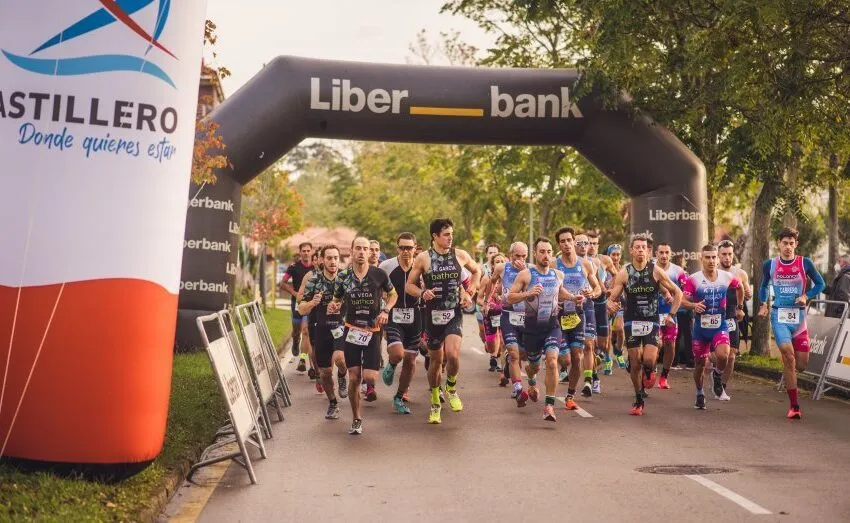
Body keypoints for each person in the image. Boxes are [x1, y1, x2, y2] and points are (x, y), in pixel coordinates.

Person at [406, 218, 480, 424]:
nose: (450, 238)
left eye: (451, 234)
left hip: (454, 312)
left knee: (453, 356)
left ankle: (452, 387)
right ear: (435, 236)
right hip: (433, 316)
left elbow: (477, 271)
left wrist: (471, 291)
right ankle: (435, 400)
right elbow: (409, 286)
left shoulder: (460, 255)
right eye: (446, 235)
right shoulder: (423, 258)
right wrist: (422, 293)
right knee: (436, 360)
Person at [607, 234, 683, 416]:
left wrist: (671, 315)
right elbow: (613, 297)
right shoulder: (624, 273)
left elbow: (678, 292)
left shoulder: (655, 271)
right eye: (637, 247)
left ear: (648, 251)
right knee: (634, 363)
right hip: (632, 321)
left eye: (643, 247)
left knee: (648, 359)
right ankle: (638, 398)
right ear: (631, 250)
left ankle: (650, 369)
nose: (640, 250)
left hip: (651, 320)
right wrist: (610, 303)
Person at [328, 237, 397, 435]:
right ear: (351, 251)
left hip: (373, 331)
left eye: (365, 249)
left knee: (369, 377)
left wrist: (386, 311)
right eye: (358, 248)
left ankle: (371, 381)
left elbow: (393, 295)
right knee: (355, 377)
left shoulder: (379, 274)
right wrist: (334, 305)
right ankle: (357, 418)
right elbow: (337, 299)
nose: (361, 251)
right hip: (351, 330)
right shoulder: (343, 276)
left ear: (369, 253)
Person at [507, 237, 579, 422]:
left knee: (553, 361)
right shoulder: (526, 275)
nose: (546, 255)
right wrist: (528, 293)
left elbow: (559, 292)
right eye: (542, 252)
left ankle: (549, 405)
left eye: (548, 252)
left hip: (552, 326)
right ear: (535, 254)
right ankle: (531, 381)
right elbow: (510, 297)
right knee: (533, 366)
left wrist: (573, 297)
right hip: (531, 329)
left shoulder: (557, 274)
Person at [757, 227, 825, 420]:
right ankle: (794, 406)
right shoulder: (770, 265)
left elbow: (821, 284)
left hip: (799, 319)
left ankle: (790, 371)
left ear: (796, 244)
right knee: (788, 355)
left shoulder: (805, 263)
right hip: (779, 315)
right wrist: (763, 304)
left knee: (802, 365)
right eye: (784, 243)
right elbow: (763, 286)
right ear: (778, 243)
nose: (788, 247)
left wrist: (806, 295)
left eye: (791, 243)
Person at [681, 244, 743, 408]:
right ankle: (700, 393)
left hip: (719, 325)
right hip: (701, 329)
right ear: (701, 259)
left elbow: (740, 287)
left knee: (724, 355)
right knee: (700, 364)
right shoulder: (692, 279)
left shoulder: (727, 276)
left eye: (714, 257)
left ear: (717, 259)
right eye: (707, 257)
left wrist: (739, 307)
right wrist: (693, 306)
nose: (711, 260)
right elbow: (682, 301)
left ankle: (717, 373)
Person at [297, 245, 348, 419]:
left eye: (335, 258)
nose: (333, 261)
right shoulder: (314, 280)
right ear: (322, 260)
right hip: (321, 328)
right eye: (329, 258)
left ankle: (342, 375)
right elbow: (301, 309)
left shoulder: (346, 277)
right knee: (325, 372)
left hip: (340, 327)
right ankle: (333, 402)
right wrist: (313, 303)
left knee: (340, 359)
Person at [379, 233, 423, 415]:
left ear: (415, 248)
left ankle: (399, 396)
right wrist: (386, 303)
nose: (405, 251)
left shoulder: (422, 266)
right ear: (397, 248)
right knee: (397, 354)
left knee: (411, 360)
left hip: (416, 317)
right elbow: (378, 289)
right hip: (394, 317)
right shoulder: (386, 266)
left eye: (409, 248)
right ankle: (391, 364)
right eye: (402, 248)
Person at [555, 227, 597, 410]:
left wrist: (591, 293)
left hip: (578, 316)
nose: (566, 244)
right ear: (559, 244)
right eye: (562, 241)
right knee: (565, 360)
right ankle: (556, 367)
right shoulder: (554, 265)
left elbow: (598, 289)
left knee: (577, 356)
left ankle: (570, 396)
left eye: (569, 240)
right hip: (558, 317)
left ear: (574, 242)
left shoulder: (586, 265)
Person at [487, 242, 529, 399]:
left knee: (523, 354)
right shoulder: (501, 268)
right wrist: (488, 300)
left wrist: (525, 271)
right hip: (507, 315)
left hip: (526, 316)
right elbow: (491, 283)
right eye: (517, 256)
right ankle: (518, 388)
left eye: (523, 256)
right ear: (510, 255)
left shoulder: (530, 269)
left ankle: (509, 367)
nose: (520, 259)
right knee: (513, 352)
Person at [718, 239, 753, 394]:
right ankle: (716, 372)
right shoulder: (712, 272)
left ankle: (721, 387)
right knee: (715, 357)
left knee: (731, 356)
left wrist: (747, 294)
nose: (727, 257)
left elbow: (747, 294)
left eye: (730, 254)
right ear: (718, 255)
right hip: (714, 318)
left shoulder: (740, 273)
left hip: (732, 318)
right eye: (724, 254)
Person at [654, 242, 688, 390]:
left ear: (670, 254)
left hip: (670, 314)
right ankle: (651, 369)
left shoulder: (678, 271)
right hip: (652, 313)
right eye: (661, 252)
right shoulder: (650, 268)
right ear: (656, 253)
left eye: (667, 252)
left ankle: (664, 376)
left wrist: (678, 299)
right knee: (657, 344)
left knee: (670, 344)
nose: (664, 255)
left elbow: (685, 292)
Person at [573, 233, 604, 396]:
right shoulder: (562, 263)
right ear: (573, 244)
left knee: (589, 345)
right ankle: (594, 374)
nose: (584, 246)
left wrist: (593, 292)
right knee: (574, 352)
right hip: (570, 309)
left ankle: (588, 381)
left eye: (586, 243)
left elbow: (599, 287)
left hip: (589, 306)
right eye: (579, 243)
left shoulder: (594, 263)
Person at [586, 232, 617, 384]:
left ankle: (595, 363)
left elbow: (617, 277)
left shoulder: (604, 260)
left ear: (598, 245)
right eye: (588, 243)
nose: (591, 246)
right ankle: (592, 376)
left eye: (594, 243)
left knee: (603, 345)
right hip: (587, 304)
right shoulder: (580, 261)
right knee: (589, 343)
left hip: (602, 303)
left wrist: (611, 294)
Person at [280, 242, 314, 374]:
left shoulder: (315, 267)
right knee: (296, 331)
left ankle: (303, 359)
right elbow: (283, 283)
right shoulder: (293, 267)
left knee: (306, 331)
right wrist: (295, 294)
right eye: (303, 251)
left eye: (308, 250)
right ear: (300, 253)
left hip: (309, 304)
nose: (306, 253)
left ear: (311, 252)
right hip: (296, 303)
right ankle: (295, 340)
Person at [606, 244, 627, 370]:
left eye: (618, 254)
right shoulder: (605, 270)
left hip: (619, 304)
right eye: (613, 254)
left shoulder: (623, 270)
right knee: (608, 332)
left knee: (619, 329)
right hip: (606, 304)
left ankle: (618, 351)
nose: (616, 257)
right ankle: (607, 357)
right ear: (609, 255)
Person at [825, 254, 850, 318]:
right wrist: (822, 287)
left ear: (845, 263)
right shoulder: (842, 276)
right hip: (837, 315)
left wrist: (837, 315)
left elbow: (843, 297)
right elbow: (834, 291)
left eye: (839, 262)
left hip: (837, 316)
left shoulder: (845, 277)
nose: (837, 264)